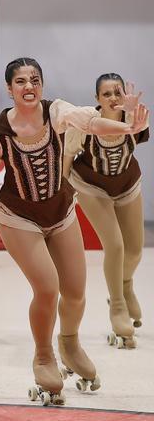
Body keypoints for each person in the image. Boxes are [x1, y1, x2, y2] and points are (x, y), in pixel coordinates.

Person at [0, 57, 148, 406]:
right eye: (20, 81)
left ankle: (69, 343)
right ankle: (43, 355)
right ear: (9, 89)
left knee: (76, 292)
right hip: (17, 216)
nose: (29, 87)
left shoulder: (57, 113)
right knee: (48, 288)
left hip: (60, 210)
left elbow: (93, 122)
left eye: (34, 80)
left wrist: (127, 129)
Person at [63, 74, 148, 349]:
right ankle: (118, 306)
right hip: (90, 185)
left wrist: (133, 112)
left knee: (135, 249)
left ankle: (124, 283)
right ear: (97, 99)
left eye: (117, 92)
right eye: (107, 94)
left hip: (125, 182)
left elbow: (140, 133)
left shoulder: (133, 117)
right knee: (115, 244)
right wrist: (62, 193)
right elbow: (67, 158)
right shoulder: (85, 124)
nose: (113, 98)